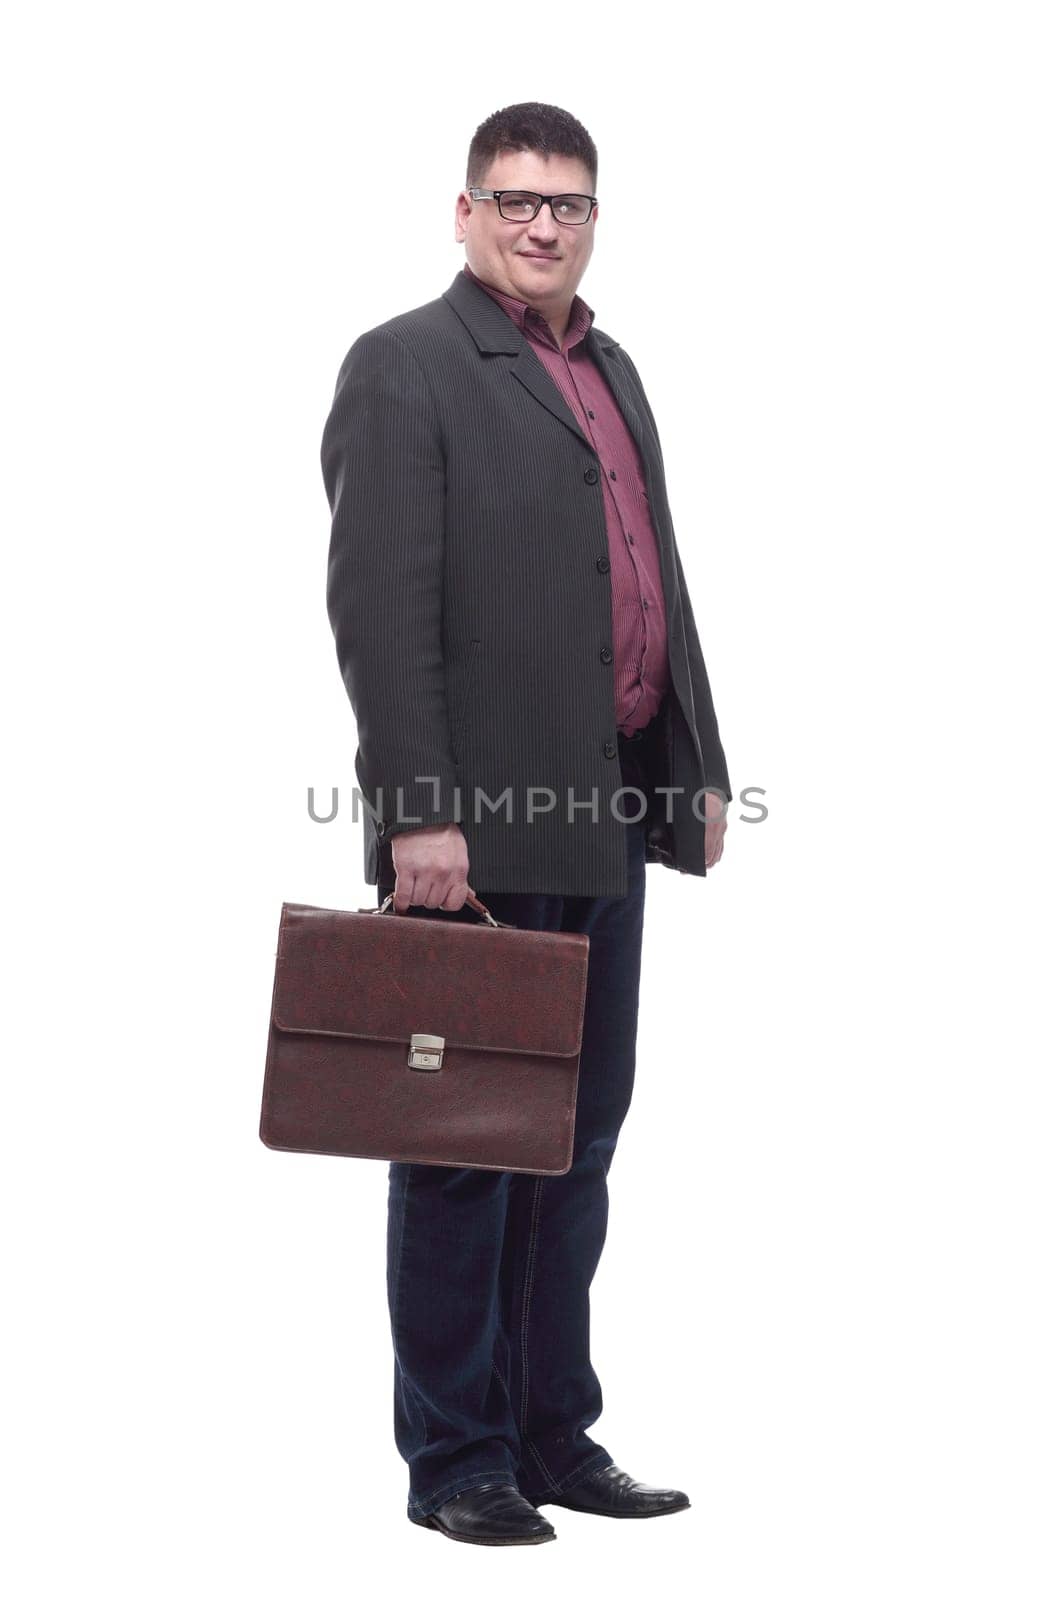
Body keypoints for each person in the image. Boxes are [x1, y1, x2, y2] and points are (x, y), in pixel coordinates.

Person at [320, 102, 730, 1547]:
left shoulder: (610, 369)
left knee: (578, 1138)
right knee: (462, 1144)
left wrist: (695, 766)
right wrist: (418, 816)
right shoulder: (407, 367)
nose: (542, 223)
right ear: (465, 211)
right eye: (516, 200)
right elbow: (377, 612)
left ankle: (556, 1432)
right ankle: (457, 1461)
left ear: (593, 217)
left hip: (607, 805)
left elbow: (653, 579)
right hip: (478, 835)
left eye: (567, 203)